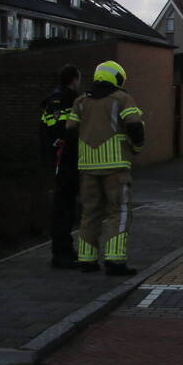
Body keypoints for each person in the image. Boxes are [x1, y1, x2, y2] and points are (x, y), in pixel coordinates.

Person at [65, 60, 146, 276]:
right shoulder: (122, 98)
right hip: (115, 167)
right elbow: (134, 125)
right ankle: (115, 260)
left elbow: (71, 130)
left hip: (88, 167)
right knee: (118, 212)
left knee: (89, 213)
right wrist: (136, 147)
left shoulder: (81, 102)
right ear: (117, 79)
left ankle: (87, 260)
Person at [40, 64, 81, 269]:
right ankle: (61, 253)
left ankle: (65, 248)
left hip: (57, 159)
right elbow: (69, 131)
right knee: (64, 208)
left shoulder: (51, 100)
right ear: (74, 79)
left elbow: (45, 130)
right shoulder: (68, 100)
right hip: (66, 160)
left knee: (65, 206)